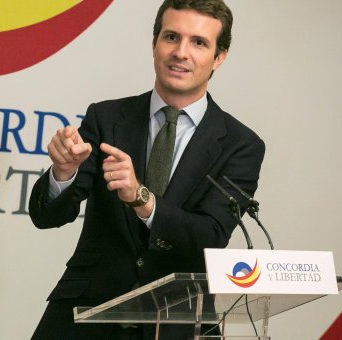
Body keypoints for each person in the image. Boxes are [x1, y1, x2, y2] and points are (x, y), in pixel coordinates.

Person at [28, 0, 265, 338]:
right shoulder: (106, 118)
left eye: (198, 43)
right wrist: (63, 173)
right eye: (171, 37)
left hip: (178, 324)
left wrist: (143, 199)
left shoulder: (240, 145)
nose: (181, 52)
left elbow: (211, 236)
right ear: (154, 43)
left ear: (219, 57)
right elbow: (47, 216)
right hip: (85, 317)